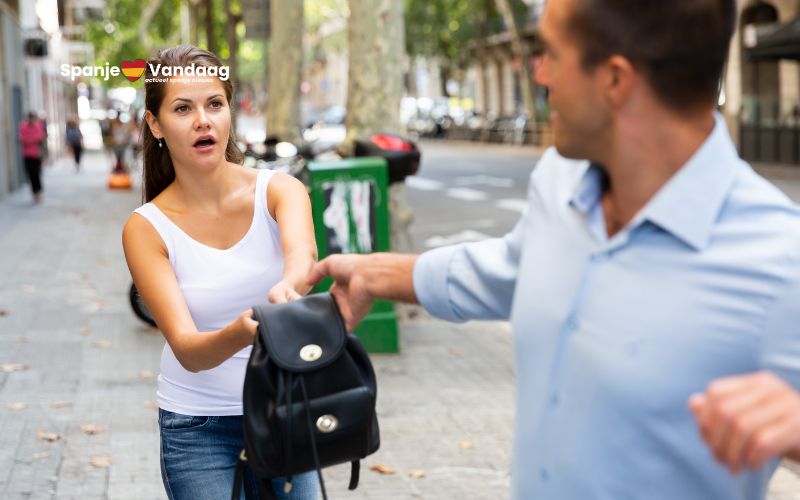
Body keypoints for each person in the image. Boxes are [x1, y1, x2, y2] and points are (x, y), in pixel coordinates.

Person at [307, 1, 800, 499]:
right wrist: (376, 274)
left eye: (551, 53)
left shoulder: (778, 261)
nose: (538, 72)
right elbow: (509, 269)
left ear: (614, 80)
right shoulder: (557, 182)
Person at [121, 45, 319, 500]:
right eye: (182, 108)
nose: (203, 120)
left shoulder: (280, 191)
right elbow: (189, 350)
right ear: (155, 124)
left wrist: (289, 287)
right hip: (197, 430)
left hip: (282, 410)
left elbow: (302, 257)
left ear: (230, 112)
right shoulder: (145, 228)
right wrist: (247, 329)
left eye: (214, 104)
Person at [18, 111, 46, 203]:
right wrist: (32, 139)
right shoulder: (23, 127)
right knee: (30, 175)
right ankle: (35, 192)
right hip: (27, 155)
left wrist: (29, 139)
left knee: (36, 174)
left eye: (33, 118)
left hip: (36, 155)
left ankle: (39, 192)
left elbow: (40, 137)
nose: (31, 120)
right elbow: (22, 139)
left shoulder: (38, 126)